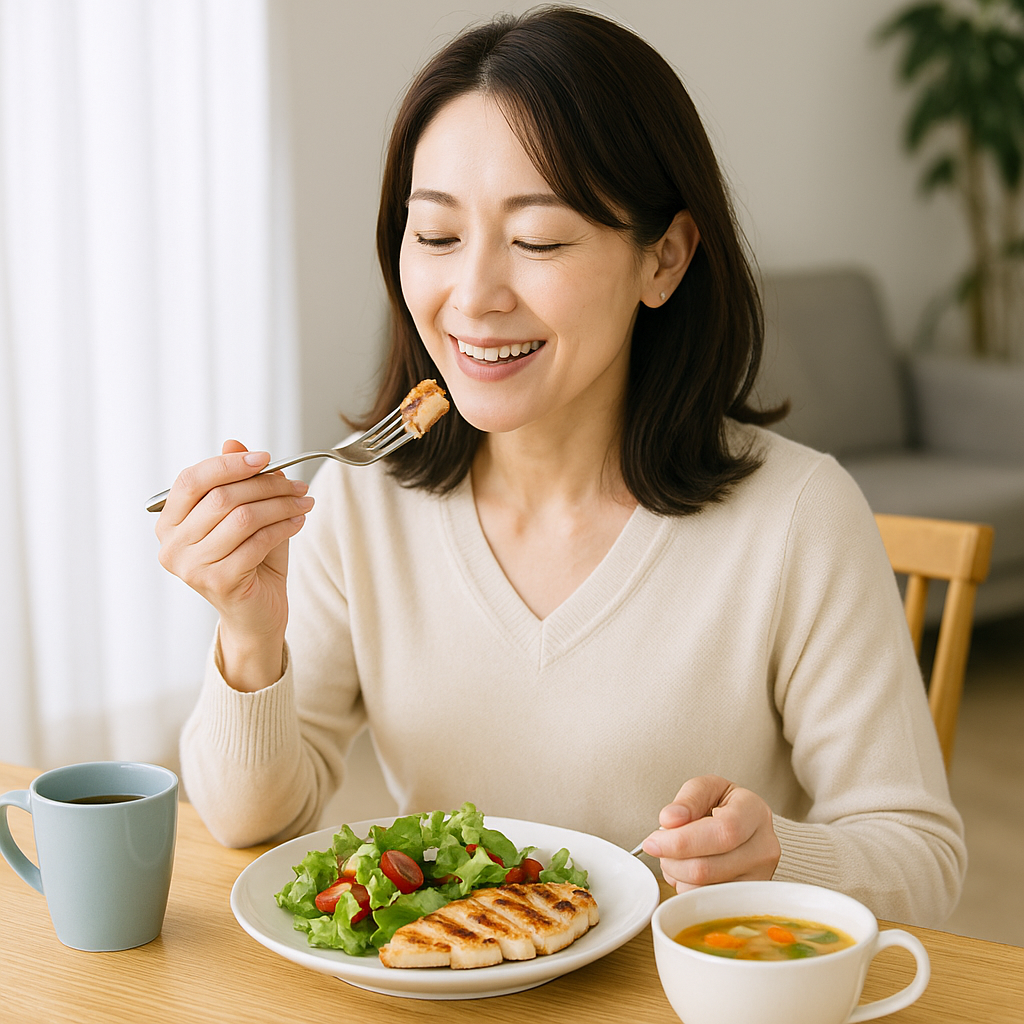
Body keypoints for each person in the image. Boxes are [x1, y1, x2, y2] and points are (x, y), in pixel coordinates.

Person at [157, 6, 965, 926]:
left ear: (663, 258)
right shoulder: (361, 500)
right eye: (436, 236)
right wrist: (250, 639)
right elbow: (249, 820)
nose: (473, 296)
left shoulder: (797, 515)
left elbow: (923, 859)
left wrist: (778, 855)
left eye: (538, 240)